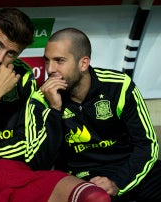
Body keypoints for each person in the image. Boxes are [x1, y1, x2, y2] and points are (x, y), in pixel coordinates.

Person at [0, 8, 110, 202]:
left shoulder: (23, 74)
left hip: (18, 172)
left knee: (95, 197)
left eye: (11, 53)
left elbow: (29, 147)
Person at [41, 27, 161, 201]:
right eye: (47, 61)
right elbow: (42, 161)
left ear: (83, 63)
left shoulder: (119, 86)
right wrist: (54, 110)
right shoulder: (42, 97)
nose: (50, 69)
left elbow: (147, 145)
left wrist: (118, 182)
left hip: (126, 166)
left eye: (59, 61)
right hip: (84, 176)